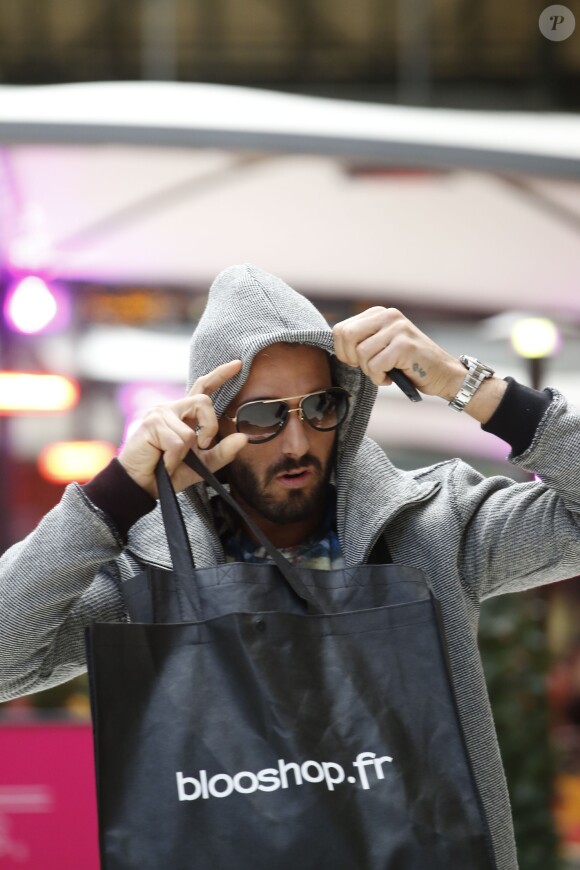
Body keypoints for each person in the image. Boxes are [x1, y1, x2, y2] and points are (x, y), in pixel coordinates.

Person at [1, 262, 579, 869]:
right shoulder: (152, 575)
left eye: (320, 406)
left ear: (349, 406)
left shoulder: (431, 527)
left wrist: (471, 387)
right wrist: (117, 495)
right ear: (210, 422)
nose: (297, 442)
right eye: (262, 417)